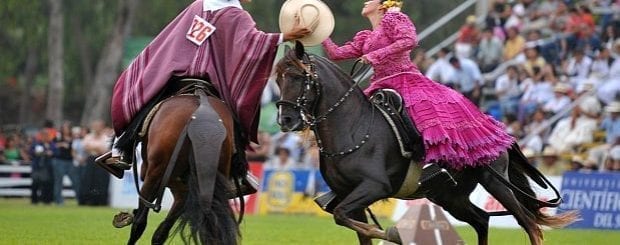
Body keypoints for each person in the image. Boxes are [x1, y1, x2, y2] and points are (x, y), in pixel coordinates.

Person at [99, 0, 311, 177]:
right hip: (212, 79)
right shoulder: (236, 15)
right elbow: (253, 44)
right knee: (233, 117)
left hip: (177, 73)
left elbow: (171, 40)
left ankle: (121, 149)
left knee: (149, 98)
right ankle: (238, 170)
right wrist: (285, 36)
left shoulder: (198, 5)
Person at [321, 0, 514, 187]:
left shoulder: (393, 19)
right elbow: (336, 54)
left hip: (405, 80)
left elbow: (409, 40)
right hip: (380, 85)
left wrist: (375, 55)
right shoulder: (366, 36)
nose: (365, 2)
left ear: (382, 4)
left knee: (420, 117)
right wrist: (319, 33)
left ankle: (431, 163)